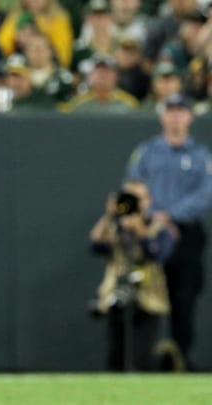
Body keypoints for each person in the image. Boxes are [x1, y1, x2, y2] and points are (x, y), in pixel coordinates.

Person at [126, 93, 212, 370]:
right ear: (162, 116)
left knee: (184, 298)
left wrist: (171, 214)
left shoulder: (201, 156)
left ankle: (181, 359)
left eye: (180, 111)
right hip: (148, 233)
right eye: (170, 111)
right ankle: (142, 362)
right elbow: (132, 188)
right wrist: (153, 216)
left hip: (186, 235)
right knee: (144, 297)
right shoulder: (146, 152)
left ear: (189, 116)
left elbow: (206, 193)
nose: (175, 117)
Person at [89, 179, 173, 371]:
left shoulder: (159, 228)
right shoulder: (114, 227)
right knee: (116, 357)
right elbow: (95, 246)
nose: (134, 204)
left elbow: (157, 253)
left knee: (142, 359)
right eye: (129, 198)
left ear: (148, 200)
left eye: (138, 199)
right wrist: (109, 216)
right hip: (117, 295)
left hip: (148, 298)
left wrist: (139, 229)